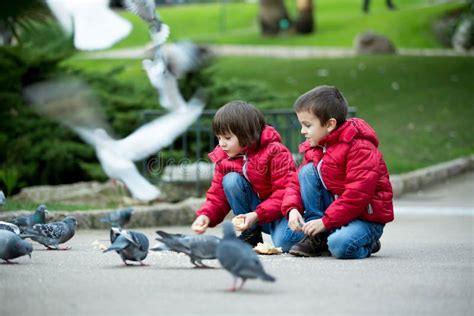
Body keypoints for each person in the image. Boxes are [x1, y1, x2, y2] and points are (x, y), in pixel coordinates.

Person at [281, 85, 394, 259]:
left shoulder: (360, 148)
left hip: (364, 218)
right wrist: (292, 209)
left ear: (330, 124)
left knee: (340, 246)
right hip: (333, 216)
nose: (302, 131)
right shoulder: (317, 147)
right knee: (306, 172)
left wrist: (326, 221)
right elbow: (295, 183)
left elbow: (357, 195)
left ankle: (369, 243)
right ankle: (316, 236)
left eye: (307, 125)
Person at [191, 100, 301, 252]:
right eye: (219, 138)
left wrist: (257, 214)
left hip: (279, 213)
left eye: (227, 138)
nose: (222, 144)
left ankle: (319, 235)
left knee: (286, 242)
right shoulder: (225, 158)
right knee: (230, 180)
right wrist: (206, 216)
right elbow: (217, 195)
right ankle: (251, 235)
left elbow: (285, 191)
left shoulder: (275, 152)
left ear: (246, 135)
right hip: (253, 216)